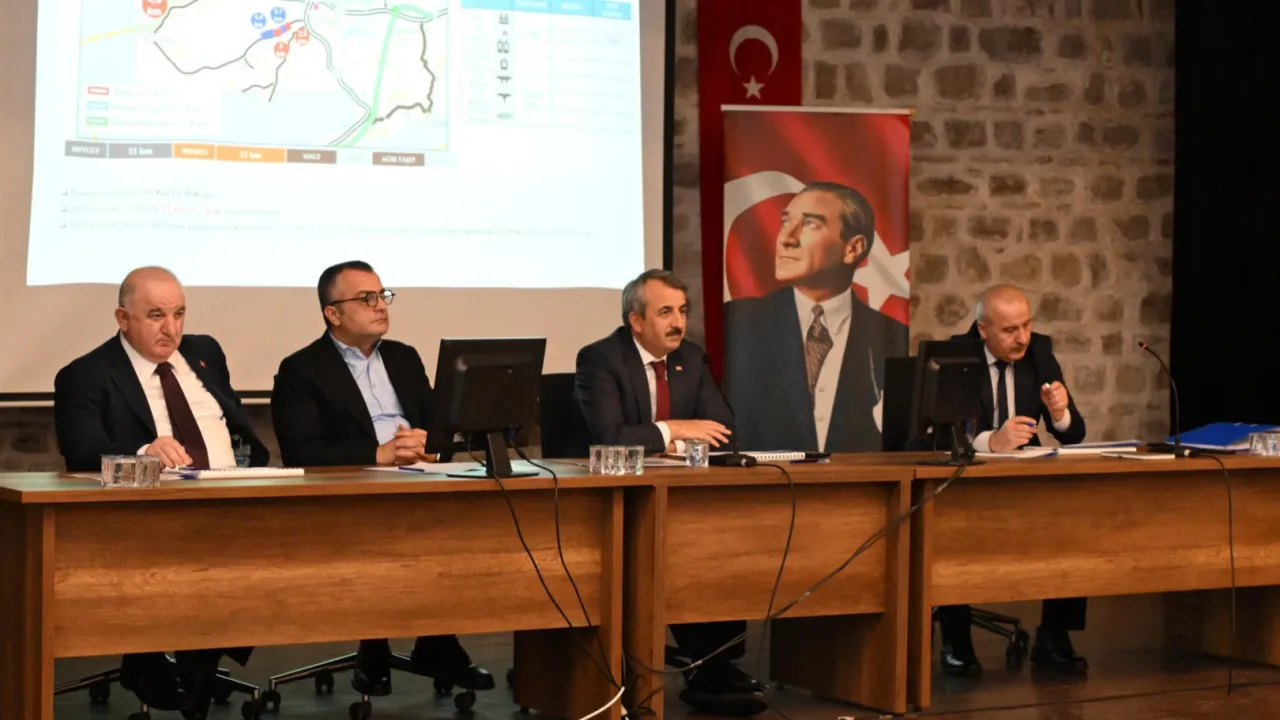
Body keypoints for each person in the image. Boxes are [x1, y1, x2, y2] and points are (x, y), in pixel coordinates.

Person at [270, 260, 494, 698]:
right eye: (366, 298)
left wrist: (431, 446)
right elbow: (301, 452)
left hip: (420, 479)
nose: (380, 306)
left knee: (469, 519)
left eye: (382, 295)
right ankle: (376, 642)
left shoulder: (404, 357)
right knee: (390, 529)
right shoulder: (301, 369)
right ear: (332, 313)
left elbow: (439, 424)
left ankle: (436, 639)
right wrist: (378, 454)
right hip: (351, 491)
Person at [53, 266, 263, 719]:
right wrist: (143, 452)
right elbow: (81, 452)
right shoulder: (86, 374)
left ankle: (185, 666)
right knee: (199, 561)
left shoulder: (205, 353)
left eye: (179, 314)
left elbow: (235, 422)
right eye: (155, 316)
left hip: (231, 498)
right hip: (151, 513)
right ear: (122, 318)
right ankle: (177, 668)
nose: (171, 328)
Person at [575, 269, 765, 716]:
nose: (678, 322)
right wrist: (675, 429)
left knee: (718, 542)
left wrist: (669, 442)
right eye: (666, 312)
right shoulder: (600, 359)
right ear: (636, 320)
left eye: (682, 311)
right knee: (675, 549)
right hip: (615, 501)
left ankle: (715, 666)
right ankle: (707, 668)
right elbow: (611, 437)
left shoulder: (691, 359)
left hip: (681, 496)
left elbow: (724, 433)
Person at [934, 284, 1088, 678]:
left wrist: (1061, 414)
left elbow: (1074, 434)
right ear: (983, 329)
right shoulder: (957, 355)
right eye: (1010, 330)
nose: (1022, 338)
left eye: (1026, 325)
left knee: (1071, 523)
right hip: (968, 482)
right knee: (952, 530)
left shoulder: (1039, 352)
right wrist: (990, 441)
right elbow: (938, 433)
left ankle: (1053, 637)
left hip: (1025, 478)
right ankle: (956, 639)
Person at [723, 181, 908, 453]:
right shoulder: (738, 323)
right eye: (786, 222)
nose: (786, 238)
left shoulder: (893, 337)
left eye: (810, 224)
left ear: (853, 248)